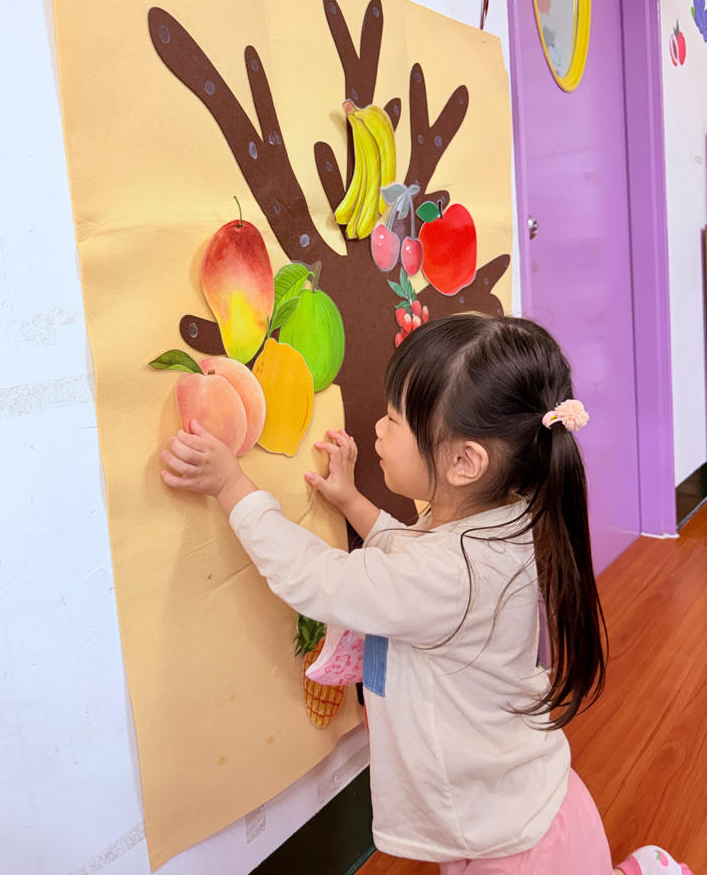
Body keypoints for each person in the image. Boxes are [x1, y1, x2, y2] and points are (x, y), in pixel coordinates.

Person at [161, 314, 692, 875]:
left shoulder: (451, 572)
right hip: (516, 809)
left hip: (512, 847)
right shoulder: (499, 519)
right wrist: (351, 502)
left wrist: (232, 486)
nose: (378, 429)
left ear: (464, 462)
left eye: (393, 419)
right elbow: (410, 559)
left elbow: (318, 579)